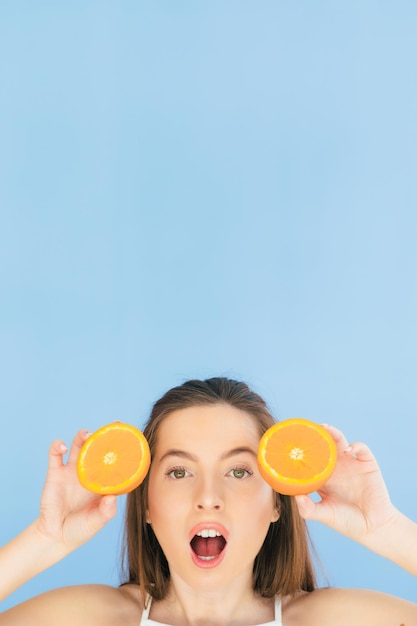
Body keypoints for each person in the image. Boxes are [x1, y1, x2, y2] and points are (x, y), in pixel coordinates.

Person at [1, 377, 416, 625]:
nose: (208, 498)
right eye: (179, 472)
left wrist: (385, 527)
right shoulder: (96, 618)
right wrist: (46, 537)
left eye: (238, 471)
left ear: (277, 501)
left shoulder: (327, 621)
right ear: (146, 503)